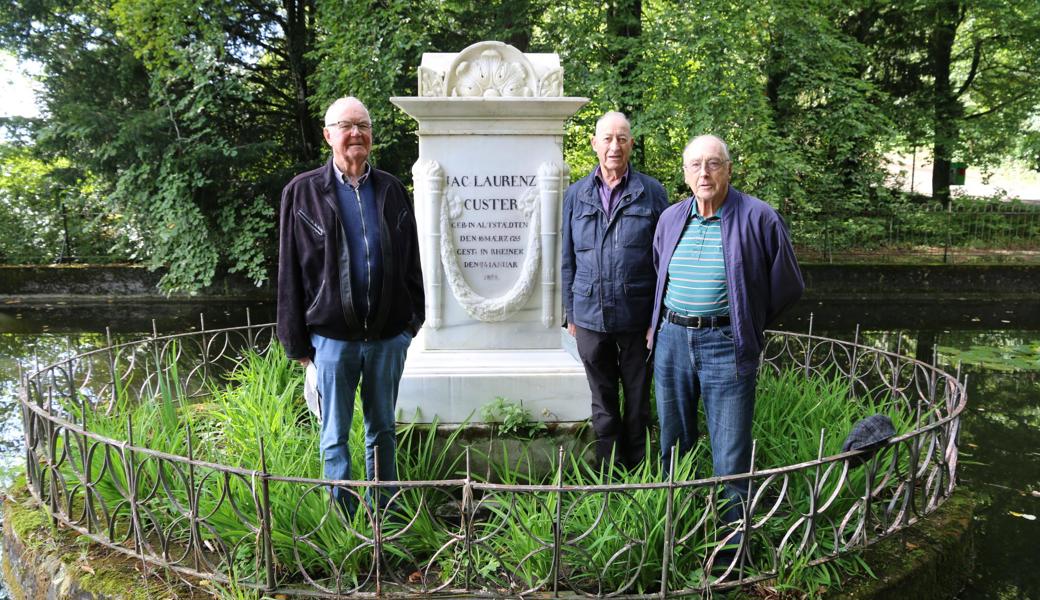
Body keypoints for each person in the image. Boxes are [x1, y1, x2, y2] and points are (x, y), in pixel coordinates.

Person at [277, 96, 424, 513]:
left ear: (371, 136)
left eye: (363, 125)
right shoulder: (302, 192)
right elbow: (289, 271)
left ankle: (386, 518)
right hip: (331, 340)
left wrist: (411, 323)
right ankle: (345, 524)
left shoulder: (392, 189)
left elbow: (412, 259)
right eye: (346, 126)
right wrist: (298, 346)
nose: (355, 133)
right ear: (328, 135)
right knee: (334, 435)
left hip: (385, 337)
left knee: (382, 431)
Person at [650, 134, 803, 520]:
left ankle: (731, 551)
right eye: (696, 165)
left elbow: (788, 284)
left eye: (714, 163)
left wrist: (746, 320)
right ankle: (678, 529)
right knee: (673, 444)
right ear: (685, 174)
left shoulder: (759, 217)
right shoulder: (671, 218)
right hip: (672, 340)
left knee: (731, 452)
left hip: (725, 344)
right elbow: (659, 269)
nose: (705, 172)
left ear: (729, 170)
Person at [561, 111, 669, 470]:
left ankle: (639, 472)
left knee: (638, 402)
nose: (614, 146)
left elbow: (664, 260)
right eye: (607, 138)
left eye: (621, 138)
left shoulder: (652, 193)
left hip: (637, 320)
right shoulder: (575, 195)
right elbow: (566, 259)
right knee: (603, 403)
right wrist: (571, 314)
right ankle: (609, 475)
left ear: (631, 145)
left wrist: (658, 318)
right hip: (590, 318)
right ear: (594, 144)